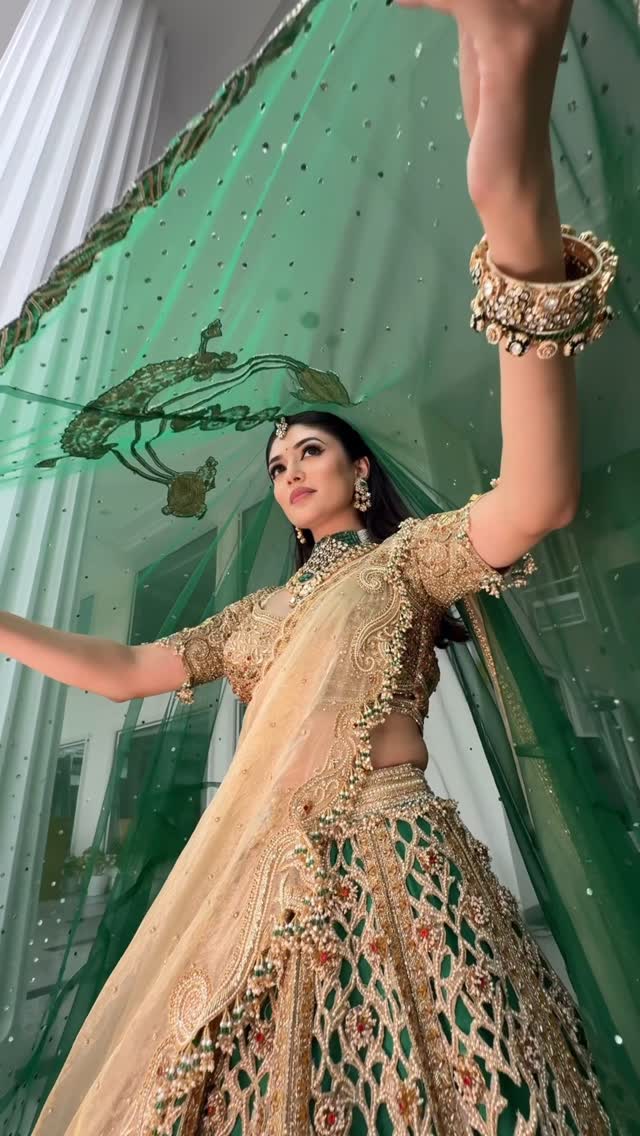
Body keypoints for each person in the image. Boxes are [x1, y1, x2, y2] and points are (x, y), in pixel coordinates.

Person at [0, 1, 618, 1133]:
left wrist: (509, 217)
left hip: (409, 871)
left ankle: (508, 126)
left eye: (309, 451)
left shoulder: (403, 565)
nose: (286, 469)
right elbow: (124, 672)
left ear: (359, 472)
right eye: (277, 461)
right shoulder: (253, 618)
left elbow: (539, 498)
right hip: (271, 903)